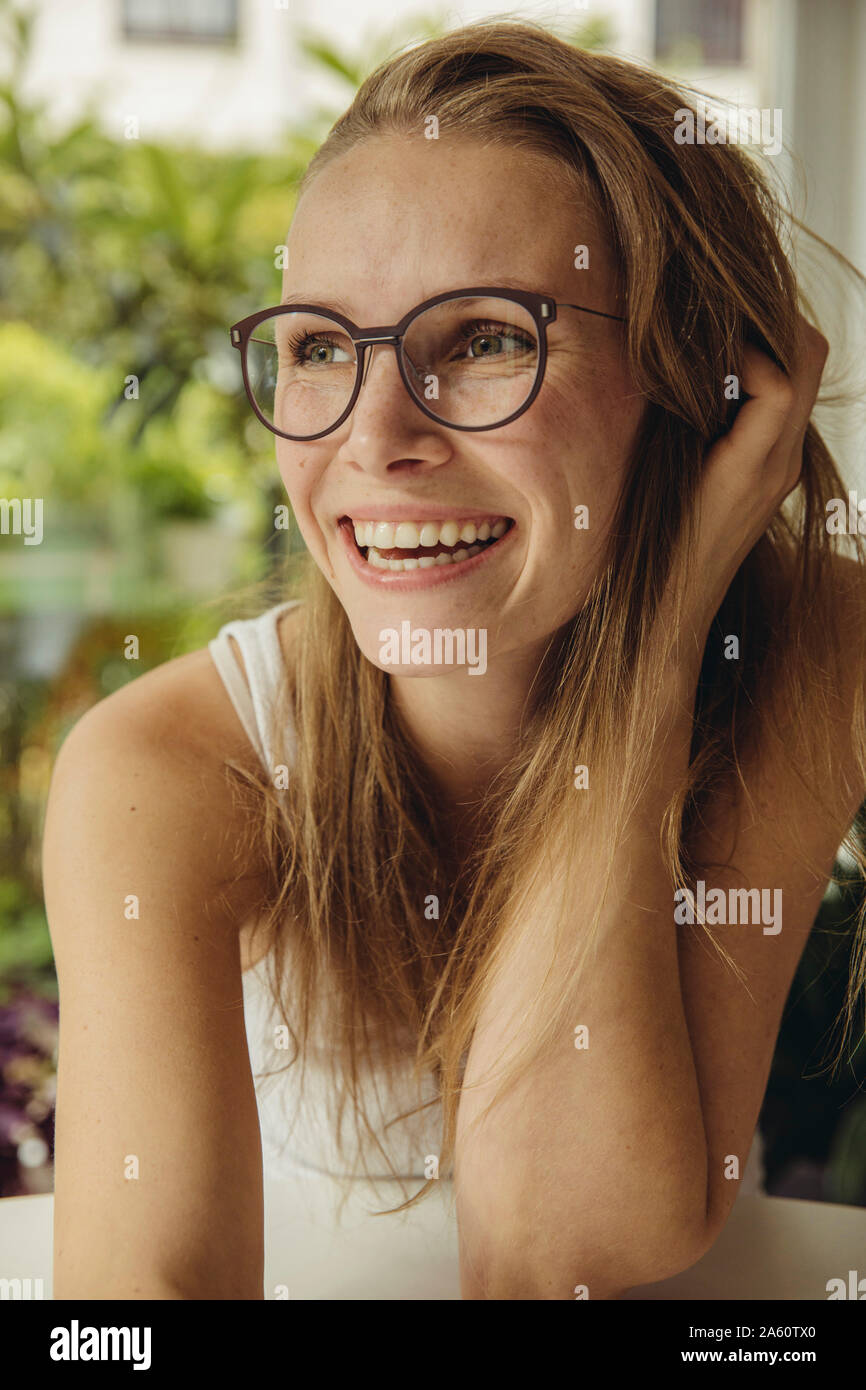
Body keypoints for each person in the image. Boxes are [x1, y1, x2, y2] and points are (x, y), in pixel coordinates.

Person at [43, 19, 866, 1300]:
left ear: (694, 389)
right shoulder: (163, 771)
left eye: (484, 338)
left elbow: (552, 1249)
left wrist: (651, 655)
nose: (372, 438)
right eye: (321, 345)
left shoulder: (810, 650)